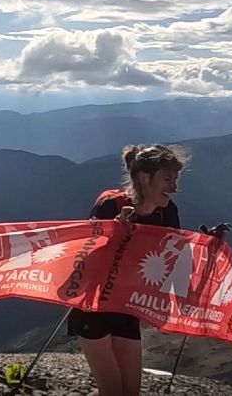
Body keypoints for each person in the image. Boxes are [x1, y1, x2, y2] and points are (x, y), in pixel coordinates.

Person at [66, 144, 187, 396]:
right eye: (167, 179)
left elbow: (174, 255)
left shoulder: (168, 212)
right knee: (111, 389)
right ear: (144, 178)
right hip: (93, 306)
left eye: (175, 179)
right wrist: (113, 231)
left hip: (127, 305)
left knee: (129, 391)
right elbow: (84, 254)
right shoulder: (110, 207)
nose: (174, 187)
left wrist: (209, 247)